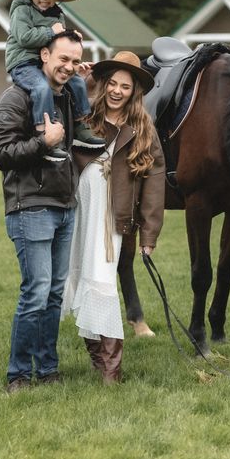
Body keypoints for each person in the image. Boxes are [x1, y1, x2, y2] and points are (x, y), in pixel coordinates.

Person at [61, 51, 165, 383]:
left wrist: (149, 235)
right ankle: (97, 357)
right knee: (83, 276)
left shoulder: (142, 128)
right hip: (80, 211)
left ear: (134, 92)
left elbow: (155, 182)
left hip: (113, 217)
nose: (117, 91)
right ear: (104, 85)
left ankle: (111, 368)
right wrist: (83, 76)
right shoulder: (87, 116)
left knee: (103, 279)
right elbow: (60, 92)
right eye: (112, 84)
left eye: (125, 86)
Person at [0, 30, 84, 393]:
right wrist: (41, 142)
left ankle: (47, 369)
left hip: (65, 206)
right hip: (30, 206)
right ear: (44, 55)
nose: (68, 67)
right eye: (63, 59)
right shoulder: (15, 98)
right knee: (36, 291)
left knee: (55, 294)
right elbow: (1, 154)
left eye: (75, 61)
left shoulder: (67, 98)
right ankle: (18, 374)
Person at [6, 0, 106, 161]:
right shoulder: (21, 10)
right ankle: (44, 134)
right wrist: (53, 32)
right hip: (24, 63)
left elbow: (59, 44)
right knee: (41, 88)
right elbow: (24, 38)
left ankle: (80, 125)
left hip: (47, 62)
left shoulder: (57, 14)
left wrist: (71, 37)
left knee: (77, 81)